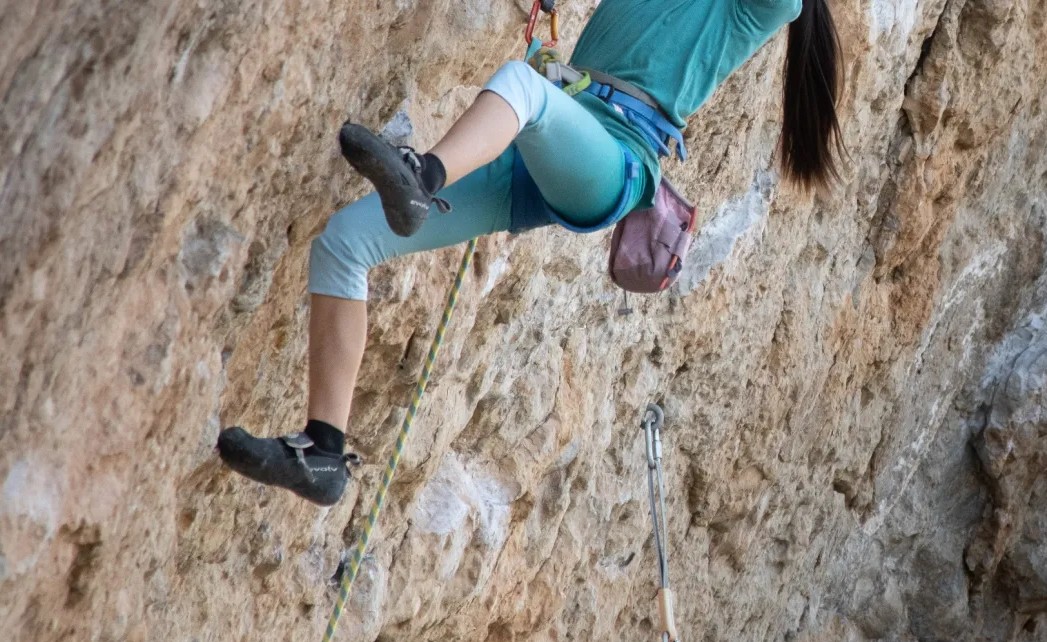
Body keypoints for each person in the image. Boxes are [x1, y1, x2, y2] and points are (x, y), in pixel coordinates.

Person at [217, 0, 844, 505]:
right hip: (542, 145)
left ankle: (422, 178)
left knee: (522, 85)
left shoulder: (753, 9)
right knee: (343, 245)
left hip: (615, 163)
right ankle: (323, 451)